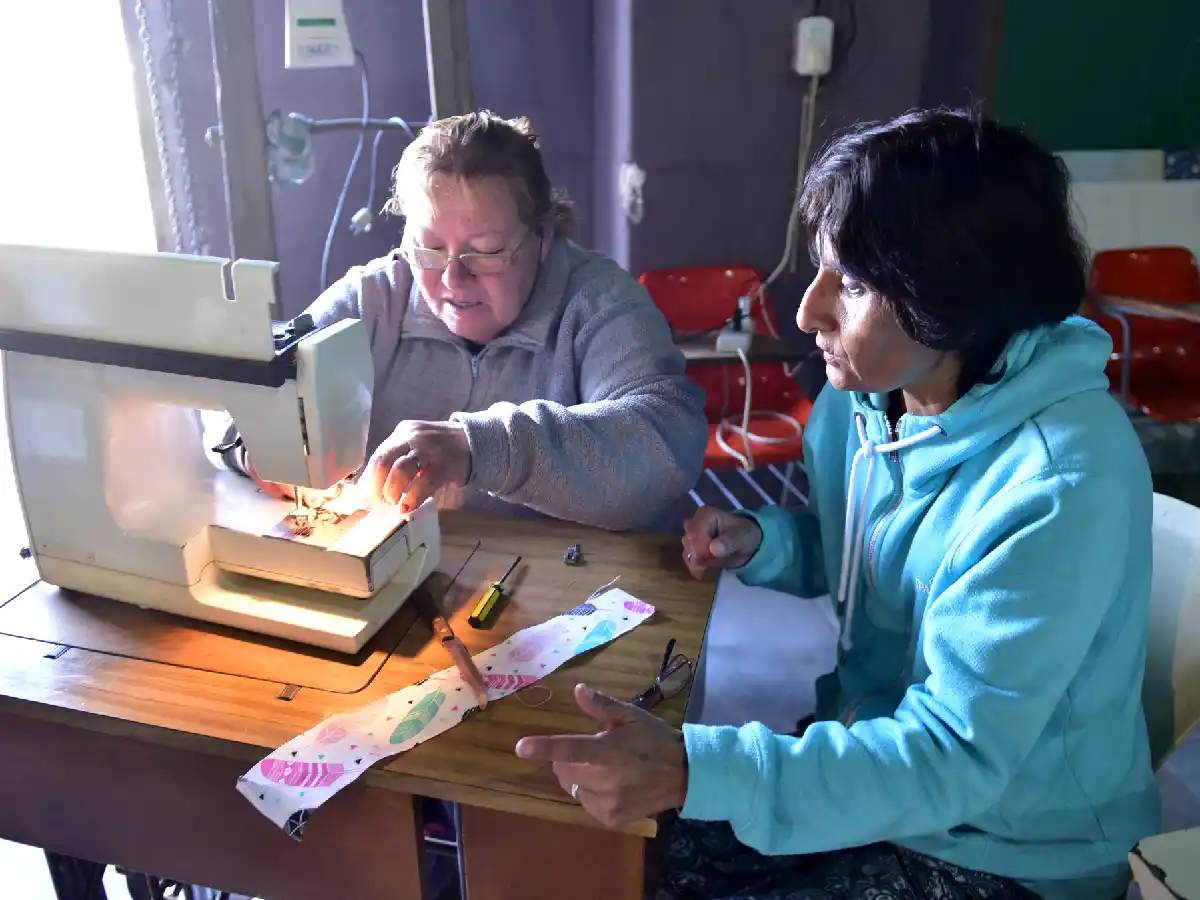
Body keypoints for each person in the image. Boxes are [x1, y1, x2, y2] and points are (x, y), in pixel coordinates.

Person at [514, 109, 1160, 900]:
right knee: (620, 857)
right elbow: (874, 555)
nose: (806, 313)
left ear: (958, 293)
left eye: (851, 284)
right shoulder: (868, 402)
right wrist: (770, 542)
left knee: (652, 847)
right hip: (875, 765)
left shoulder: (1061, 482)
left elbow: (952, 757)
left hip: (1004, 849)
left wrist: (692, 766)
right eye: (822, 269)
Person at [212, 111, 708, 531]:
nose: (453, 278)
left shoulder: (600, 304)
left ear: (543, 236)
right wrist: (256, 446)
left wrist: (478, 448)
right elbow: (239, 394)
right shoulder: (374, 297)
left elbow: (666, 445)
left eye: (486, 252)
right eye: (429, 248)